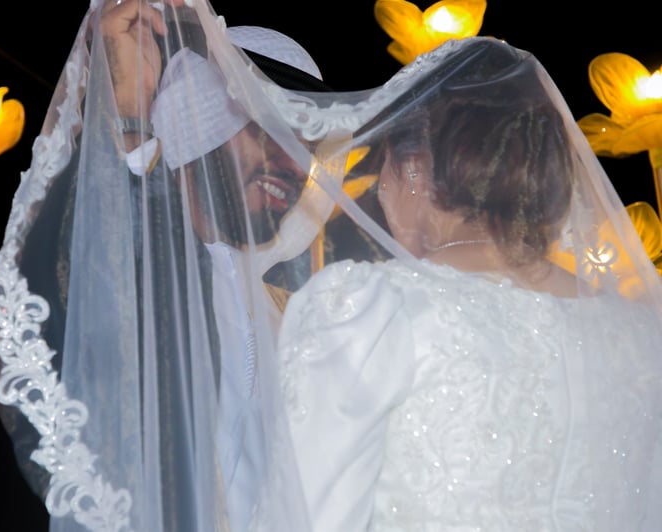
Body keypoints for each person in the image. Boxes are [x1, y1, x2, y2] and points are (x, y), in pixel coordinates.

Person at [260, 37, 662, 531]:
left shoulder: (371, 308)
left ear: (412, 168)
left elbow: (304, 517)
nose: (381, 190)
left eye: (384, 168)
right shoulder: (641, 335)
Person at [0, 1, 338, 531]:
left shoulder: (292, 317)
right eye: (268, 129)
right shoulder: (121, 252)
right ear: (200, 112)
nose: (293, 163)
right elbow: (41, 305)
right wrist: (127, 114)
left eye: (307, 145)